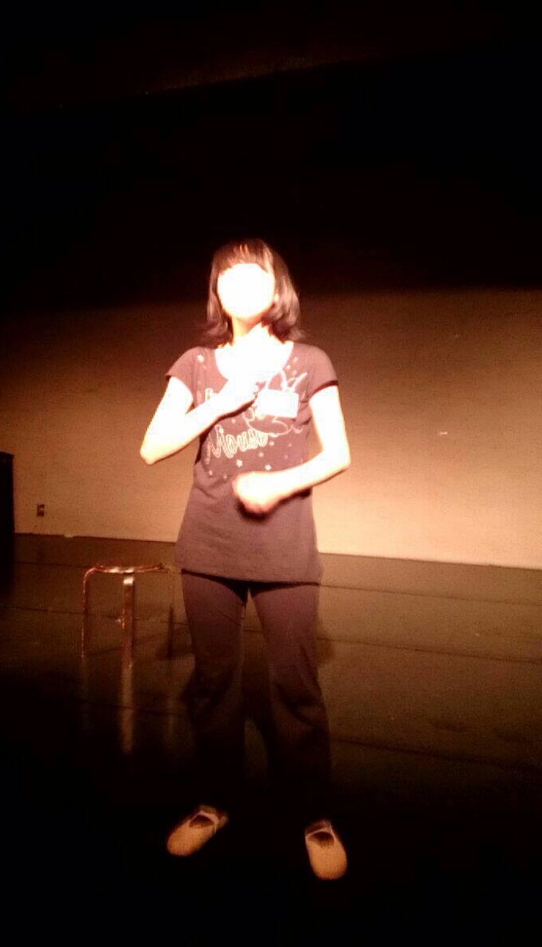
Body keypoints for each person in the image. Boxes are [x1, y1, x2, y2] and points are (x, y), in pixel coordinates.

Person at [140, 238, 350, 880]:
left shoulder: (309, 361)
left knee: (296, 687)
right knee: (213, 686)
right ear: (216, 292)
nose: (239, 283)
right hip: (209, 542)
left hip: (285, 544)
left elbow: (338, 453)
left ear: (277, 286)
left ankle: (314, 815)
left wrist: (279, 485)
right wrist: (219, 401)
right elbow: (152, 447)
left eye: (253, 273)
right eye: (226, 275)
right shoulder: (197, 363)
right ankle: (213, 805)